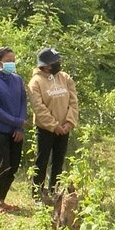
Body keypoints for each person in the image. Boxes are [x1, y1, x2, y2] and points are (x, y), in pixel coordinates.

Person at [27, 47, 78, 201]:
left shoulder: (65, 77)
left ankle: (54, 192)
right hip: (45, 129)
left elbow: (73, 101)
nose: (59, 63)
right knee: (41, 161)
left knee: (58, 161)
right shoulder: (35, 82)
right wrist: (54, 125)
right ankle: (37, 194)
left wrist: (69, 123)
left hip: (64, 128)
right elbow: (39, 107)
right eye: (56, 61)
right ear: (47, 64)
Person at [0, 46, 28, 213]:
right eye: (8, 61)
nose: (12, 64)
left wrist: (19, 126)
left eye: (13, 61)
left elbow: (23, 102)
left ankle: (2, 199)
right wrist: (17, 121)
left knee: (14, 166)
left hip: (16, 130)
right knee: (3, 166)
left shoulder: (17, 79)